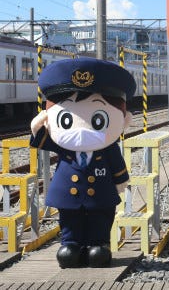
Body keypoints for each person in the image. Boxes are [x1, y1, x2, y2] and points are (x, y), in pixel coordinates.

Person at [30, 58, 136, 268]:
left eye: (97, 120)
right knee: (69, 221)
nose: (80, 130)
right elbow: (42, 141)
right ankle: (71, 245)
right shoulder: (62, 146)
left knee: (101, 220)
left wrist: (121, 180)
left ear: (123, 119)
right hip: (69, 196)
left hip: (101, 195)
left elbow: (117, 164)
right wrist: (37, 128)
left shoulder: (108, 148)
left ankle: (100, 245)